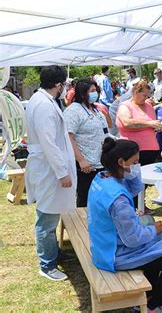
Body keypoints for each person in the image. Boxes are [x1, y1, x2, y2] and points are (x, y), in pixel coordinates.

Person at [88, 138, 162, 312]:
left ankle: (146, 298)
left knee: (156, 247)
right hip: (114, 255)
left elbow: (134, 189)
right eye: (135, 162)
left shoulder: (102, 177)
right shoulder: (118, 199)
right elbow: (132, 239)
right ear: (121, 162)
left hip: (102, 245)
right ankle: (152, 305)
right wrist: (153, 230)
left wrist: (133, 171)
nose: (137, 166)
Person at [25, 65, 77, 281]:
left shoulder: (44, 101)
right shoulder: (44, 105)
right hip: (49, 169)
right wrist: (62, 172)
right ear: (58, 85)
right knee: (46, 218)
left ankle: (53, 253)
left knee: (52, 214)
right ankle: (46, 264)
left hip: (49, 166)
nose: (65, 88)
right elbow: (49, 144)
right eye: (64, 84)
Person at [64, 81, 107, 207]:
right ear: (83, 94)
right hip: (85, 166)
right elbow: (68, 137)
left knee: (99, 198)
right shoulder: (73, 111)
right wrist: (81, 160)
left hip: (100, 163)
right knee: (85, 199)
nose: (96, 93)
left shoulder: (95, 109)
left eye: (96, 90)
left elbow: (104, 131)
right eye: (92, 91)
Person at [116, 80, 162, 167]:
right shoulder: (125, 106)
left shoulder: (149, 106)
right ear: (136, 92)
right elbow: (127, 123)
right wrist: (149, 124)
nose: (146, 98)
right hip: (131, 152)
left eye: (147, 96)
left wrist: (157, 127)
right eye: (144, 95)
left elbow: (153, 123)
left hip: (151, 149)